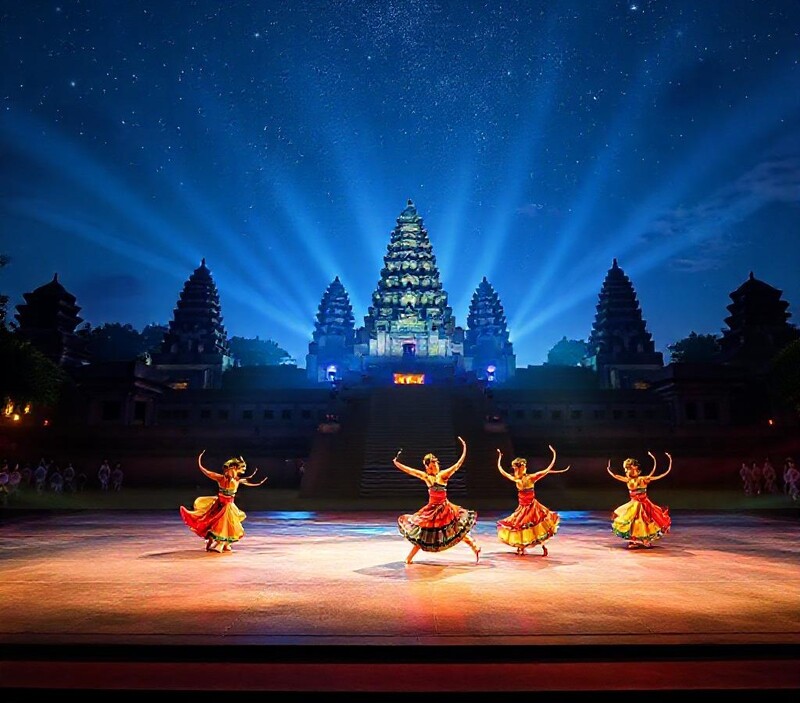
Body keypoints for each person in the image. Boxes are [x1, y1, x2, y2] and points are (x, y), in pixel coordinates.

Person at [394, 436, 481, 564]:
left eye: (436, 464)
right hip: (431, 509)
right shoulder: (426, 477)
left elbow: (457, 466)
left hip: (445, 509)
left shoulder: (443, 476)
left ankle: (474, 546)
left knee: (456, 530)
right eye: (433, 464)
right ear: (428, 467)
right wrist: (397, 463)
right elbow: (411, 471)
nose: (436, 466)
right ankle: (409, 558)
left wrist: (464, 448)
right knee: (423, 533)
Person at [179, 450, 267, 553]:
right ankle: (220, 544)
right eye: (227, 470)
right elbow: (207, 472)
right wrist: (200, 462)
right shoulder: (221, 478)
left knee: (227, 525)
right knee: (217, 524)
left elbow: (248, 481)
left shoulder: (237, 481)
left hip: (228, 506)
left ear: (235, 470)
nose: (229, 472)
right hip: (220, 505)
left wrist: (258, 482)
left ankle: (224, 544)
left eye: (231, 470)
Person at [495, 445, 570, 556]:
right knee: (519, 526)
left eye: (517, 468)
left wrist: (553, 456)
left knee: (538, 527)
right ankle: (521, 547)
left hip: (532, 506)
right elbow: (502, 472)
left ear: (522, 468)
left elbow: (546, 470)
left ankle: (543, 546)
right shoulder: (516, 479)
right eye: (515, 468)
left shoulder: (531, 477)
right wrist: (499, 459)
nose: (516, 470)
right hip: (522, 507)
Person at [607, 452, 672, 549]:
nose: (628, 472)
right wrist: (609, 469)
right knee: (633, 522)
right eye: (627, 469)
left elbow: (659, 474)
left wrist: (667, 462)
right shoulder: (628, 480)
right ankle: (633, 540)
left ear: (636, 469)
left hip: (644, 503)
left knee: (645, 521)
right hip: (633, 504)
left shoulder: (643, 479)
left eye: (630, 469)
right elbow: (616, 476)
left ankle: (645, 540)